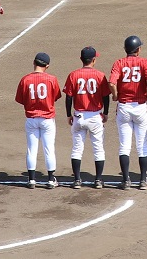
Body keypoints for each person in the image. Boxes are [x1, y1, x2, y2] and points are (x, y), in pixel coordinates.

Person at [108, 34, 147, 189]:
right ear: (138, 49)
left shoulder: (119, 63)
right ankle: (143, 180)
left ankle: (126, 180)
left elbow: (111, 82)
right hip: (140, 107)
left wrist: (115, 96)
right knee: (142, 145)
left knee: (124, 145)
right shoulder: (145, 62)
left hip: (124, 107)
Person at [64, 46, 112, 188]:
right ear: (94, 60)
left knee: (77, 149)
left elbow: (68, 97)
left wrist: (68, 114)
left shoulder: (73, 75)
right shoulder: (100, 75)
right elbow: (106, 97)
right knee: (98, 149)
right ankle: (98, 180)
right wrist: (106, 113)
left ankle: (77, 180)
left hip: (79, 116)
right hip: (95, 116)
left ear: (81, 59)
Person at [15, 52, 62, 189]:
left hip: (31, 118)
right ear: (47, 66)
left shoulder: (25, 79)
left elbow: (20, 99)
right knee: (49, 149)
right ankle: (50, 179)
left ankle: (31, 180)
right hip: (47, 118)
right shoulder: (52, 79)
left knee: (31, 149)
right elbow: (56, 96)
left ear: (34, 62)